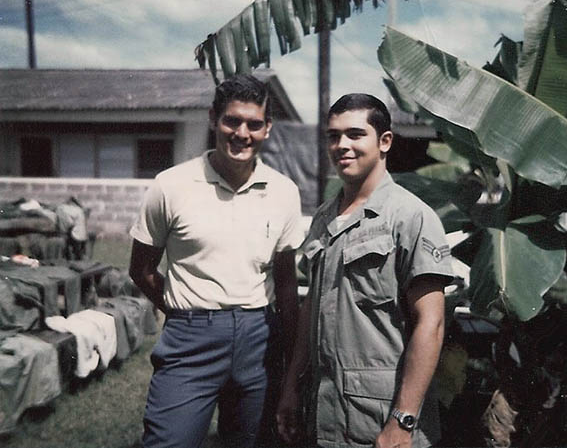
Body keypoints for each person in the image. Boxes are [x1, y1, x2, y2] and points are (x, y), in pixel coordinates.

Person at [129, 74, 304, 448]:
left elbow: (287, 286)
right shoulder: (170, 186)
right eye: (232, 121)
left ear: (267, 128)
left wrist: (290, 367)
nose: (242, 133)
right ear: (213, 119)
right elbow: (141, 269)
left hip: (259, 339)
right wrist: (185, 312)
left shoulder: (284, 192)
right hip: (190, 339)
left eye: (254, 124)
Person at [277, 94, 454, 448]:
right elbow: (312, 307)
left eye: (356, 134)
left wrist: (403, 422)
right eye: (333, 135)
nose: (342, 145)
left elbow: (430, 324)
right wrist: (292, 387)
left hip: (381, 418)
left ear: (384, 141)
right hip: (324, 410)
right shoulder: (325, 217)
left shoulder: (410, 218)